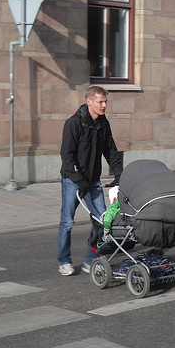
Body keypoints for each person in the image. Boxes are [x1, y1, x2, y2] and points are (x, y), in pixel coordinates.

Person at [57, 86, 123, 276]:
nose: (104, 105)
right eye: (101, 102)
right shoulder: (74, 123)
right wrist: (78, 178)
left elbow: (110, 149)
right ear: (89, 102)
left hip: (93, 181)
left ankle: (91, 259)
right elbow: (67, 157)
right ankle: (64, 261)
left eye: (105, 102)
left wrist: (118, 173)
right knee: (67, 222)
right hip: (72, 181)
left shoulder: (103, 123)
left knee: (102, 221)